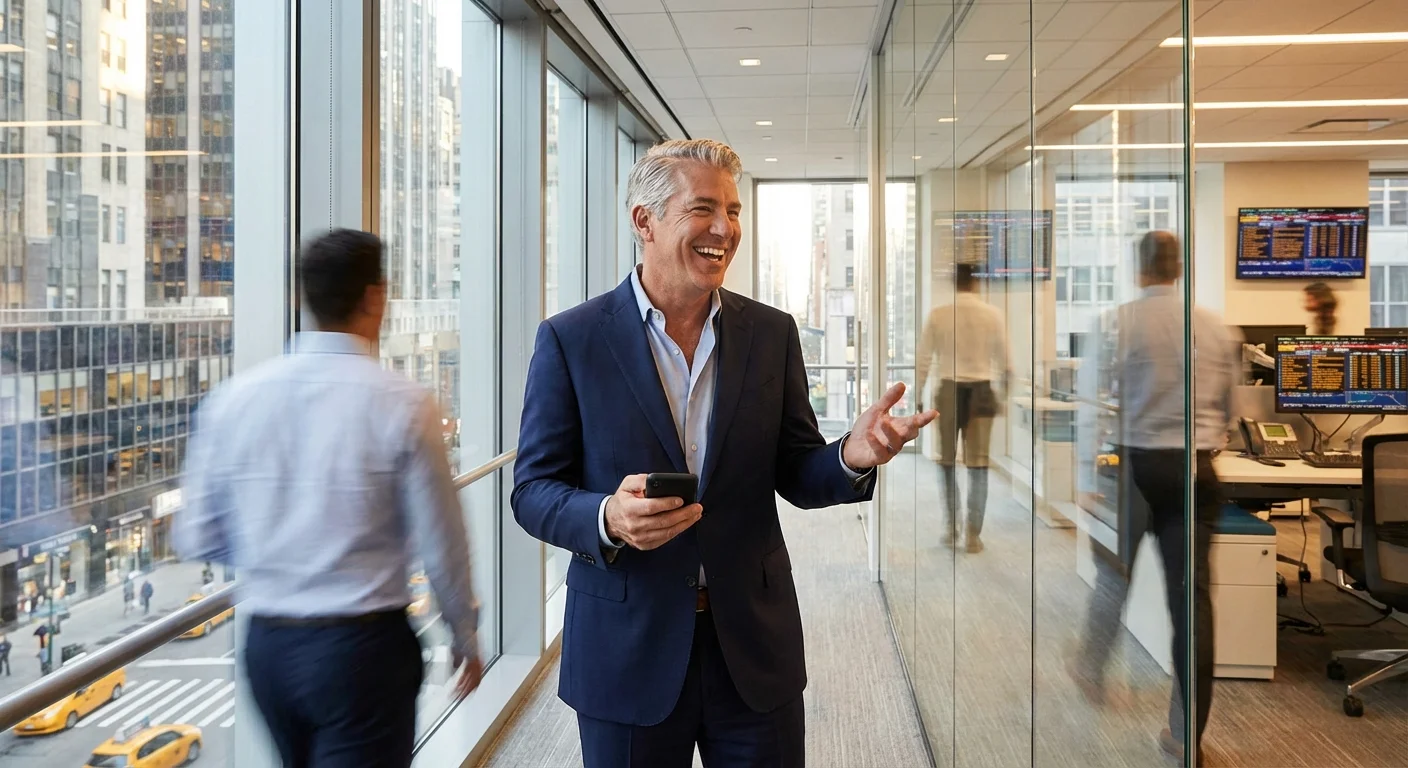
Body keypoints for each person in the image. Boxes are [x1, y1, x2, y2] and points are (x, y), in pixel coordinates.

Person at [512, 139, 936, 768]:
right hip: (627, 651)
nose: (725, 229)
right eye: (704, 209)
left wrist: (853, 454)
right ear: (644, 221)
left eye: (734, 211)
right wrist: (607, 517)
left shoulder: (771, 333)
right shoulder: (571, 339)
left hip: (752, 647)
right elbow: (533, 491)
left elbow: (795, 468)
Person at [176, 228, 483, 767]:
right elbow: (442, 543)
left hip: (268, 645)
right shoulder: (403, 403)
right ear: (375, 296)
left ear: (305, 297)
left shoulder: (233, 400)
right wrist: (463, 634)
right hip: (363, 649)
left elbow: (197, 534)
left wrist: (283, 551)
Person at [1071, 231, 1238, 767]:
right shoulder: (1215, 327)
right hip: (1194, 469)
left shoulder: (1117, 323)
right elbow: (1230, 409)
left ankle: (1091, 668)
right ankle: (1184, 736)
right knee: (1193, 608)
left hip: (1134, 468)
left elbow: (1092, 404)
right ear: (1179, 269)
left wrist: (1085, 474)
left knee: (1112, 575)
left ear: (1139, 270)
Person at [915, 261, 1012, 552]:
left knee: (946, 462)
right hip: (981, 389)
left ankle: (950, 525)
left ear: (954, 283)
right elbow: (1006, 363)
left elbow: (924, 360)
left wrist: (919, 395)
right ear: (976, 283)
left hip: (948, 388)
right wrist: (1003, 396)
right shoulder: (993, 315)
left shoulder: (939, 315)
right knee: (978, 465)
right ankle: (972, 533)